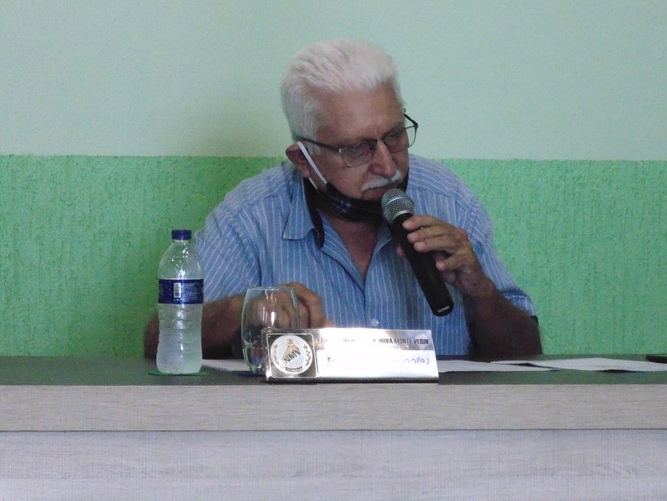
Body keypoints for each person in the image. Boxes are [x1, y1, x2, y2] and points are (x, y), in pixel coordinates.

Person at [144, 39, 541, 360]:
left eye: (394, 136)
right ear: (304, 160)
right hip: (303, 431)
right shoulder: (251, 216)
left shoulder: (450, 200)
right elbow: (160, 341)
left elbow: (527, 354)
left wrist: (480, 291)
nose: (388, 165)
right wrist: (244, 310)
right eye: (357, 149)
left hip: (440, 431)